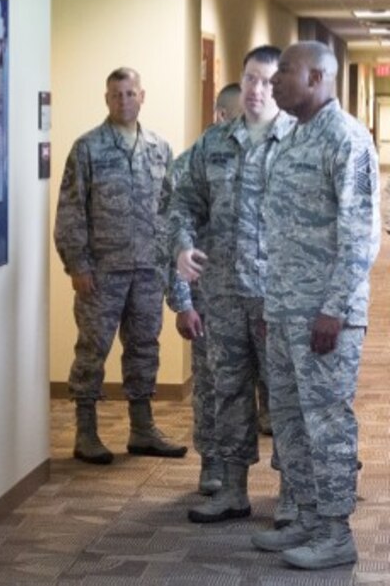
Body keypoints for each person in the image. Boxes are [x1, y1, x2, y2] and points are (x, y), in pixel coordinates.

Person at [248, 41, 379, 569]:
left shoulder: (346, 140)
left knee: (326, 422)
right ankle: (304, 515)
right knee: (290, 421)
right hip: (283, 310)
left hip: (325, 315)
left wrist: (335, 309)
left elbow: (359, 237)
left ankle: (334, 530)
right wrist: (269, 303)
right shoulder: (293, 137)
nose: (275, 81)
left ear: (319, 78)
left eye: (286, 73)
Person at [169, 46, 295, 524]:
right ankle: (233, 490)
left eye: (266, 81)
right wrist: (181, 247)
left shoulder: (298, 142)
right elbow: (182, 203)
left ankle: (291, 495)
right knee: (228, 391)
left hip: (278, 296)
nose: (257, 90)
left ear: (279, 86)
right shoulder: (214, 143)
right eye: (249, 80)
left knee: (282, 394)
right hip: (222, 294)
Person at [54, 67, 186, 464]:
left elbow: (171, 210)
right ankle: (86, 431)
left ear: (142, 96)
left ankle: (142, 429)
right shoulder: (87, 148)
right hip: (101, 271)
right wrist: (77, 263)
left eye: (130, 93)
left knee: (145, 347)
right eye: (116, 94)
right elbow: (70, 210)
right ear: (106, 98)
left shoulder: (159, 148)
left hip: (148, 268)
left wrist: (171, 262)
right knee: (93, 349)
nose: (123, 101)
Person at [162, 81, 242, 496]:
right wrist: (182, 303)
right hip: (210, 297)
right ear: (221, 115)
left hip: (258, 298)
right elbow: (174, 237)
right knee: (212, 385)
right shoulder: (191, 164)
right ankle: (211, 462)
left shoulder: (269, 155)